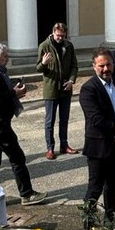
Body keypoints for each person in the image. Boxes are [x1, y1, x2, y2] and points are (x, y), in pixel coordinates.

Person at [0, 42, 45, 206]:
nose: (7, 59)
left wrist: (13, 93)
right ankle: (27, 194)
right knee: (16, 158)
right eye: (4, 56)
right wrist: (13, 93)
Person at [79, 47, 115, 219]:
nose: (106, 69)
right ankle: (88, 227)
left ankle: (110, 223)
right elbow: (96, 119)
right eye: (101, 66)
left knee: (113, 186)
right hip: (98, 147)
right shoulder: (88, 89)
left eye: (108, 64)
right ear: (94, 66)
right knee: (95, 188)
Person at [36, 22, 79, 160]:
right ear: (53, 32)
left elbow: (74, 65)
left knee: (64, 119)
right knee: (50, 120)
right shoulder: (44, 46)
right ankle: (50, 148)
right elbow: (38, 68)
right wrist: (43, 63)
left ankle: (64, 145)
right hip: (51, 88)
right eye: (57, 35)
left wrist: (72, 80)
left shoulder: (68, 45)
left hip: (66, 87)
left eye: (62, 35)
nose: (59, 38)